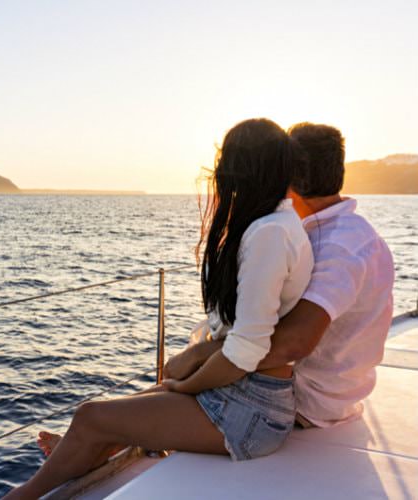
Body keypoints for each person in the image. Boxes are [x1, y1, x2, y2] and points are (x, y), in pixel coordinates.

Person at [3, 118, 314, 499]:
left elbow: (246, 351)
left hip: (250, 411)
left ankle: (20, 496)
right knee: (105, 416)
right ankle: (81, 449)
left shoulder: (268, 233)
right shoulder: (275, 225)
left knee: (91, 417)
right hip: (245, 396)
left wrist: (184, 385)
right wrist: (187, 373)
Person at [164, 123, 394, 428]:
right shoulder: (342, 233)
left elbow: (294, 343)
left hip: (303, 399)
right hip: (323, 392)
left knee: (129, 409)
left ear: (288, 173)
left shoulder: (337, 247)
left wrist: (199, 357)